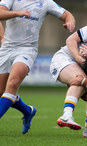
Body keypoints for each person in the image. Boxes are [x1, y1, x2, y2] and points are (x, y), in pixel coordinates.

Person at [0, 0, 75, 134]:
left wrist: (70, 21)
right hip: (6, 48)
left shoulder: (46, 2)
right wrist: (17, 13)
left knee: (12, 84)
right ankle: (28, 111)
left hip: (27, 49)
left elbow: (67, 14)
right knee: (2, 92)